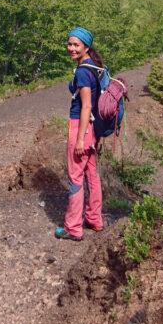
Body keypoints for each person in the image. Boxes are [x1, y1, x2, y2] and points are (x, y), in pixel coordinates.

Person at [55, 26, 105, 241]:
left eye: (76, 45)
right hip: (92, 127)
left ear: (86, 46)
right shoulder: (94, 67)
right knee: (91, 174)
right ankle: (94, 219)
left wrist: (80, 139)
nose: (71, 48)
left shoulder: (84, 71)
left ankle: (73, 228)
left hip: (81, 126)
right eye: (69, 44)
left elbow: (86, 106)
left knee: (76, 177)